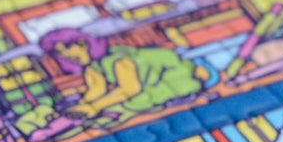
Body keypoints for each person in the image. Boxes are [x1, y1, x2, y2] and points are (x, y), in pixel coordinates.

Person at [41, 28, 210, 123]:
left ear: (82, 43)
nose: (66, 56)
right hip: (150, 85)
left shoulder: (119, 59)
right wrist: (74, 110)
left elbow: (130, 89)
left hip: (173, 75)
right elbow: (96, 89)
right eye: (60, 53)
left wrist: (94, 107)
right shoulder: (92, 66)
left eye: (67, 49)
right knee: (117, 105)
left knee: (134, 103)